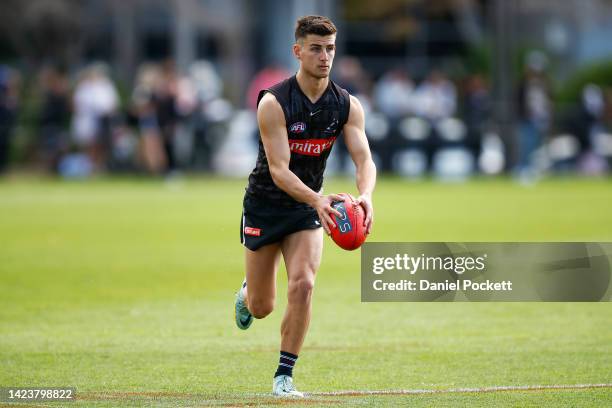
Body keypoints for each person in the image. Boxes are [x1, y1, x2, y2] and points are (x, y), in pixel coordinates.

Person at [234, 15, 376, 398]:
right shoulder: (274, 102)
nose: (324, 56)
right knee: (262, 307)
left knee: (305, 283)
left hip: (307, 210)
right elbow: (279, 171)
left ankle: (284, 377)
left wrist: (366, 196)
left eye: (330, 48)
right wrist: (318, 198)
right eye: (315, 48)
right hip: (266, 205)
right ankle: (248, 292)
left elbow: (364, 159)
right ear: (297, 51)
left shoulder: (346, 105)